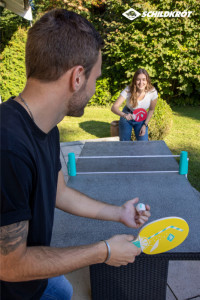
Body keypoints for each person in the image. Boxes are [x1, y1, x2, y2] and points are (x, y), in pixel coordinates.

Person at [0, 9, 151, 300]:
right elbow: (9, 265)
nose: (95, 88)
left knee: (64, 291)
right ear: (78, 77)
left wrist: (119, 214)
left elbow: (59, 192)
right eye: (96, 78)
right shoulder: (8, 148)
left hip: (36, 281)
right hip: (13, 288)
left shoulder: (46, 127)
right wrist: (103, 252)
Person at [111, 68, 158, 141]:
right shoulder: (128, 90)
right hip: (127, 116)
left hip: (141, 118)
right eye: (138, 79)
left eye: (143, 79)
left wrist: (144, 125)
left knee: (143, 144)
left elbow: (151, 110)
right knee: (125, 143)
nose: (141, 82)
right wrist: (124, 115)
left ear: (147, 80)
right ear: (134, 81)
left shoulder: (152, 92)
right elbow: (114, 107)